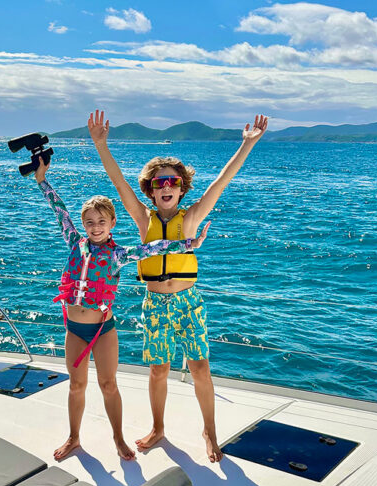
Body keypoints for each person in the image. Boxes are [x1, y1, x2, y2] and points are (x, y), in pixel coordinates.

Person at [88, 109, 268, 463]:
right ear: (151, 191)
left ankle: (210, 431)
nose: (166, 187)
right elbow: (119, 185)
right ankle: (158, 428)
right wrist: (101, 145)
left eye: (172, 182)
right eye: (159, 183)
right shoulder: (144, 219)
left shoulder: (191, 220)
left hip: (189, 302)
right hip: (154, 304)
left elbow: (220, 183)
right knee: (159, 369)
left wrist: (246, 145)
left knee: (200, 367)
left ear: (182, 188)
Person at [33, 156, 211, 461]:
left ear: (112, 223)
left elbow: (152, 248)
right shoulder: (74, 241)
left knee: (108, 384)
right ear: (83, 224)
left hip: (103, 329)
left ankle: (118, 439)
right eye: (89, 222)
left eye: (102, 221)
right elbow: (58, 208)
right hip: (74, 329)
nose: (95, 227)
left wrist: (187, 244)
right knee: (76, 386)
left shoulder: (118, 254)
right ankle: (74, 437)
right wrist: (41, 180)